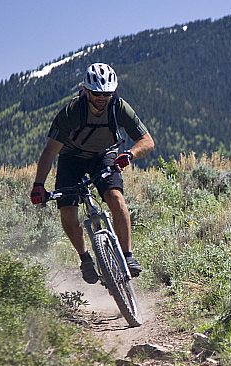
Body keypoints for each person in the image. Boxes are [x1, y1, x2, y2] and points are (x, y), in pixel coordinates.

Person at [30, 62, 154, 284]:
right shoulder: (72, 112)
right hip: (72, 157)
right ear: (86, 91)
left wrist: (130, 154)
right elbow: (50, 151)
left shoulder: (119, 107)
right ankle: (85, 258)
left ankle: (127, 256)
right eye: (97, 93)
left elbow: (147, 141)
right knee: (68, 209)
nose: (102, 98)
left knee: (115, 198)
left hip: (104, 155)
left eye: (107, 93)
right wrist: (38, 185)